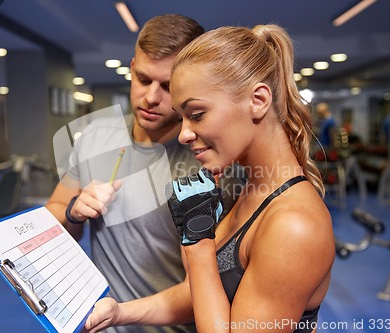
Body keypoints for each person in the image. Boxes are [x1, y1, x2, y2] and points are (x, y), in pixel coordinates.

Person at [84, 24, 335, 333]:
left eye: (197, 114)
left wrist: (198, 244)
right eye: (181, 117)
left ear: (257, 100)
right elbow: (207, 294)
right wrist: (120, 312)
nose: (185, 134)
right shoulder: (256, 190)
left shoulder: (294, 225)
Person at [46, 14, 243, 333]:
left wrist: (123, 312)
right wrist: (73, 212)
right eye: (142, 78)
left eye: (167, 86)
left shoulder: (210, 164)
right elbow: (53, 216)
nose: (151, 97)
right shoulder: (97, 135)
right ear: (132, 65)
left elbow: (207, 287)